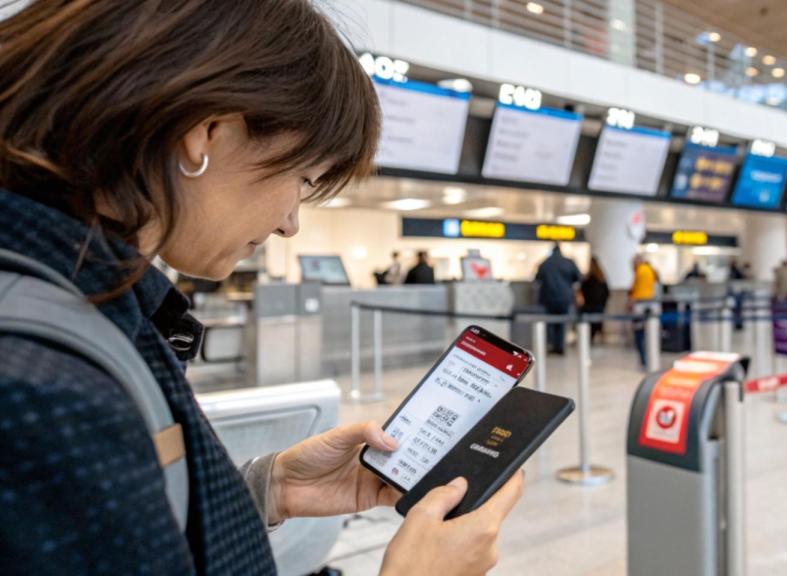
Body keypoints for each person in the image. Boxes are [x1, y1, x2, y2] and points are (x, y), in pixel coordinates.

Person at [0, 2, 521, 574]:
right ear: (207, 133)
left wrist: (265, 487)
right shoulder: (42, 388)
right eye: (302, 179)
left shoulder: (80, 305)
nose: (289, 223)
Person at [534, 245, 582, 354]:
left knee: (550, 322)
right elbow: (578, 277)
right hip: (565, 297)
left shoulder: (545, 263)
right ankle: (560, 346)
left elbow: (537, 278)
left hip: (548, 297)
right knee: (562, 322)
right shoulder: (569, 262)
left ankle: (551, 345)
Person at [629, 254, 660, 370]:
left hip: (640, 307)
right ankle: (652, 359)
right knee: (651, 335)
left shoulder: (639, 271)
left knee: (639, 335)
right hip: (653, 306)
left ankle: (643, 360)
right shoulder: (652, 270)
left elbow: (634, 291)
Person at [579, 257, 610, 343]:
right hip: (598, 306)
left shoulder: (588, 279)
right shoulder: (601, 278)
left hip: (590, 307)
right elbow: (607, 293)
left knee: (590, 326)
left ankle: (590, 340)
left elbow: (583, 290)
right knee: (596, 324)